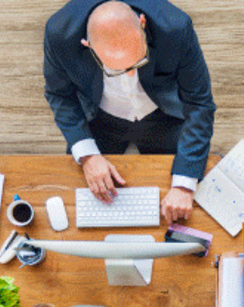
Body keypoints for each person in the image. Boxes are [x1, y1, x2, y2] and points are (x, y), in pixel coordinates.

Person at [43, 0, 215, 223]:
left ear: (142, 23)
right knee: (85, 202)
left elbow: (200, 103)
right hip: (100, 118)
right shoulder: (59, 33)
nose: (131, 76)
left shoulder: (176, 27)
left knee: (182, 211)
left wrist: (184, 184)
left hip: (162, 115)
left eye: (139, 62)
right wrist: (87, 154)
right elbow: (59, 95)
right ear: (87, 45)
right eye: (117, 70)